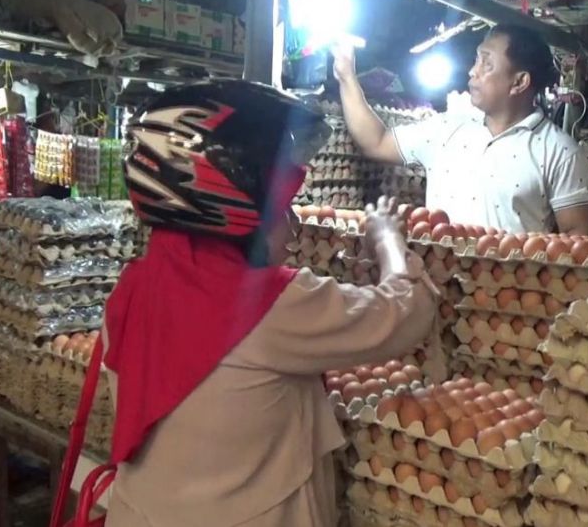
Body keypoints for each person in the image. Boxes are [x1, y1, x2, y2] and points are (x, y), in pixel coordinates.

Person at [77, 80, 437, 526]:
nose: (292, 224)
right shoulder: (270, 306)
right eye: (281, 208)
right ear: (235, 209)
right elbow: (406, 311)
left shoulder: (131, 289)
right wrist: (387, 240)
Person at [333, 24, 588, 235]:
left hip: (506, 284)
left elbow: (577, 236)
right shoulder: (447, 127)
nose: (472, 71)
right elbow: (376, 141)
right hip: (435, 279)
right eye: (476, 60)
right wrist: (346, 75)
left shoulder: (559, 151)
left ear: (519, 82)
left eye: (486, 64)